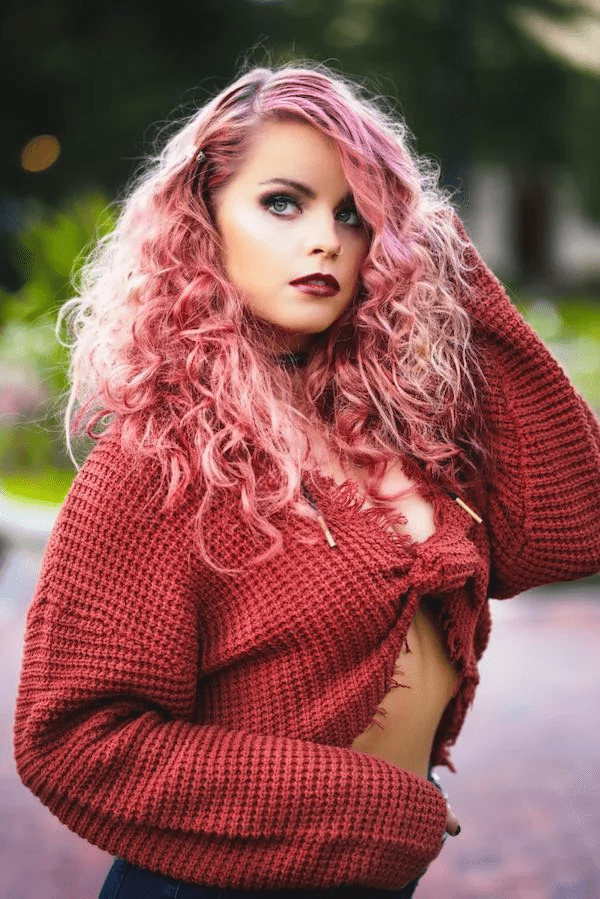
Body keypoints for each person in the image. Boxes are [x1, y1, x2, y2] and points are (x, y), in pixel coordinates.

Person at [13, 62, 600, 898]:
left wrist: (458, 277)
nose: (325, 236)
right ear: (202, 220)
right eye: (283, 202)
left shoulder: (396, 426)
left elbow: (575, 524)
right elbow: (74, 736)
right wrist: (377, 806)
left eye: (356, 213)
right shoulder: (161, 458)